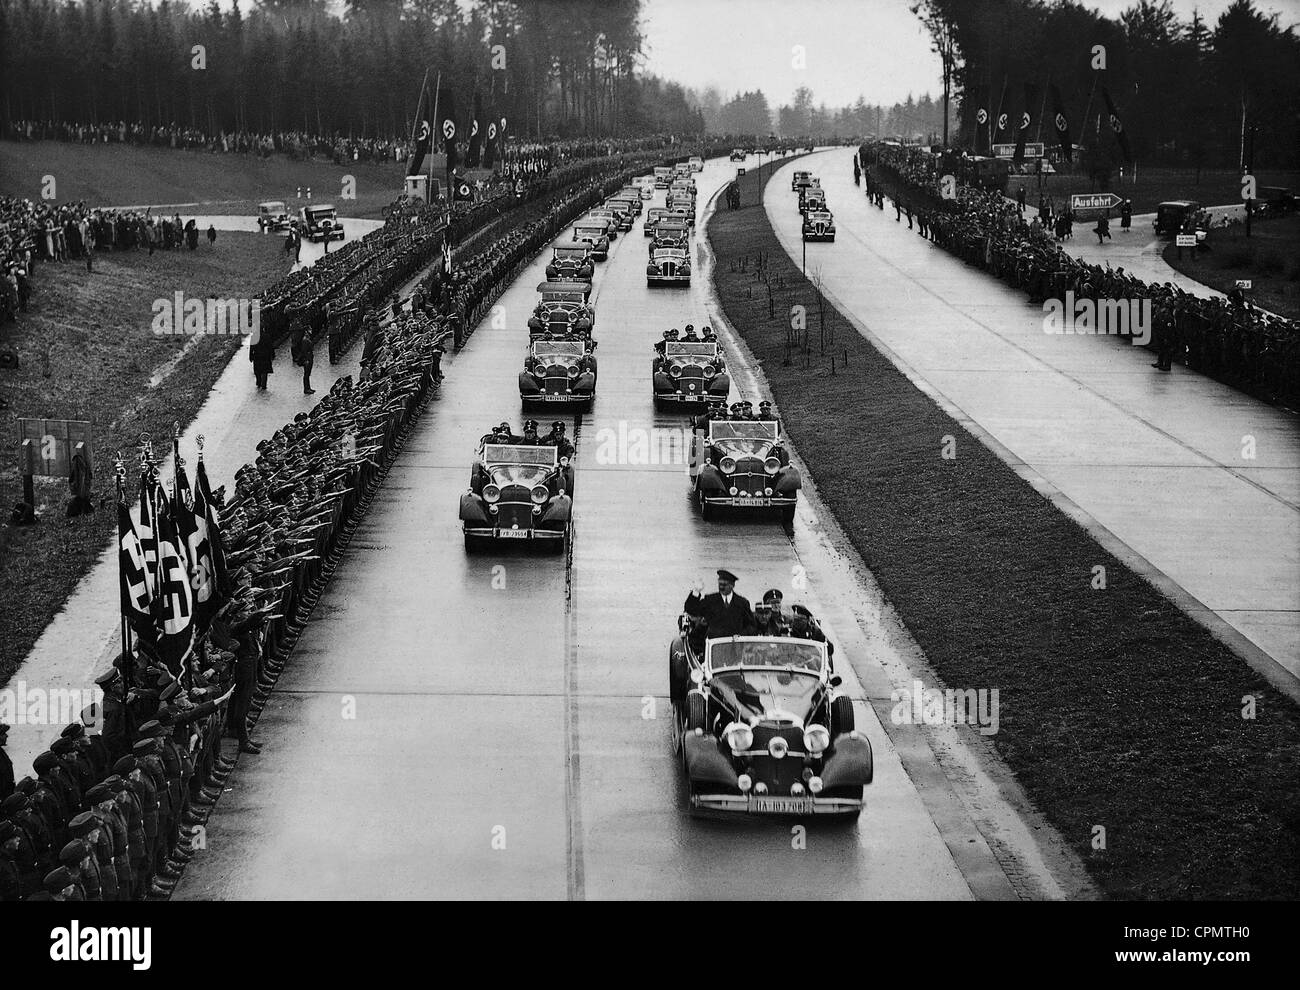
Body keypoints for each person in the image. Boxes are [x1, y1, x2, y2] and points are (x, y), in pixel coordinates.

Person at [683, 570, 757, 642]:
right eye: (720, 584)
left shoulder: (742, 603)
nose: (721, 587)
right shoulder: (710, 600)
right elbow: (691, 610)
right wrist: (696, 592)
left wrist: (741, 636)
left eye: (724, 585)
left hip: (736, 646)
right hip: (714, 647)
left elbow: (751, 626)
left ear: (732, 585)